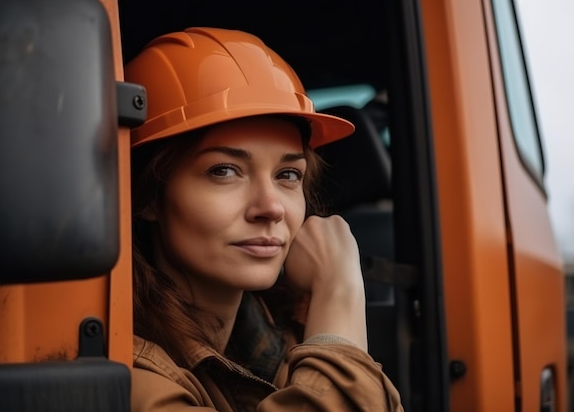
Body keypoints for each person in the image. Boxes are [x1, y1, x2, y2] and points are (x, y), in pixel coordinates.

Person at [125, 27, 404, 411]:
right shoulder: (127, 376)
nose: (270, 207)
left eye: (288, 175)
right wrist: (339, 293)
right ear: (146, 197)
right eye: (224, 171)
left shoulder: (280, 333)